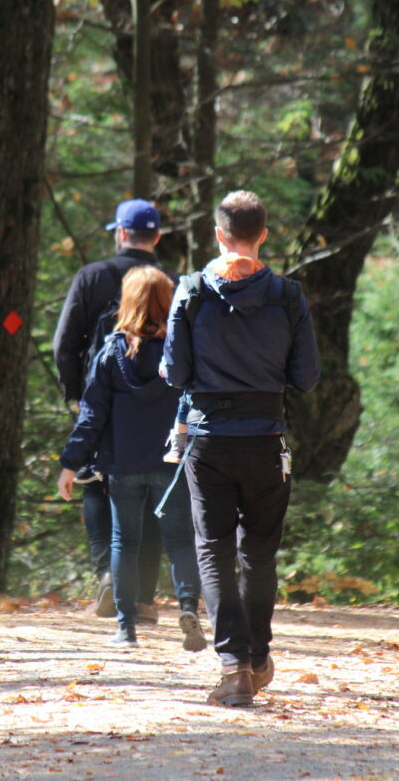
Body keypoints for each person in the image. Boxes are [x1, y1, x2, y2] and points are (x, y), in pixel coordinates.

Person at [163, 190, 320, 705]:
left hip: (208, 440)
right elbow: (307, 377)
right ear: (264, 235)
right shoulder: (287, 296)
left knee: (214, 549)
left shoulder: (191, 292)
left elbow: (177, 374)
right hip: (266, 440)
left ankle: (234, 668)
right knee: (259, 552)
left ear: (218, 233)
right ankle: (256, 657)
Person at [58, 266, 205, 651]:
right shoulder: (184, 351)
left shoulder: (111, 351)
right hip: (171, 463)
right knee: (181, 542)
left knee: (125, 542)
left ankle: (126, 627)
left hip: (123, 464)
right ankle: (188, 607)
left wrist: (71, 463)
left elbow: (92, 414)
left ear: (128, 301)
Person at [53, 199, 169, 623]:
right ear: (156, 237)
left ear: (120, 233)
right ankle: (143, 600)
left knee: (96, 483)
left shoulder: (93, 277)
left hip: (100, 398)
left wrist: (76, 396)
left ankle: (107, 575)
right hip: (158, 407)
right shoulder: (171, 281)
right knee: (155, 493)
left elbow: (64, 343)